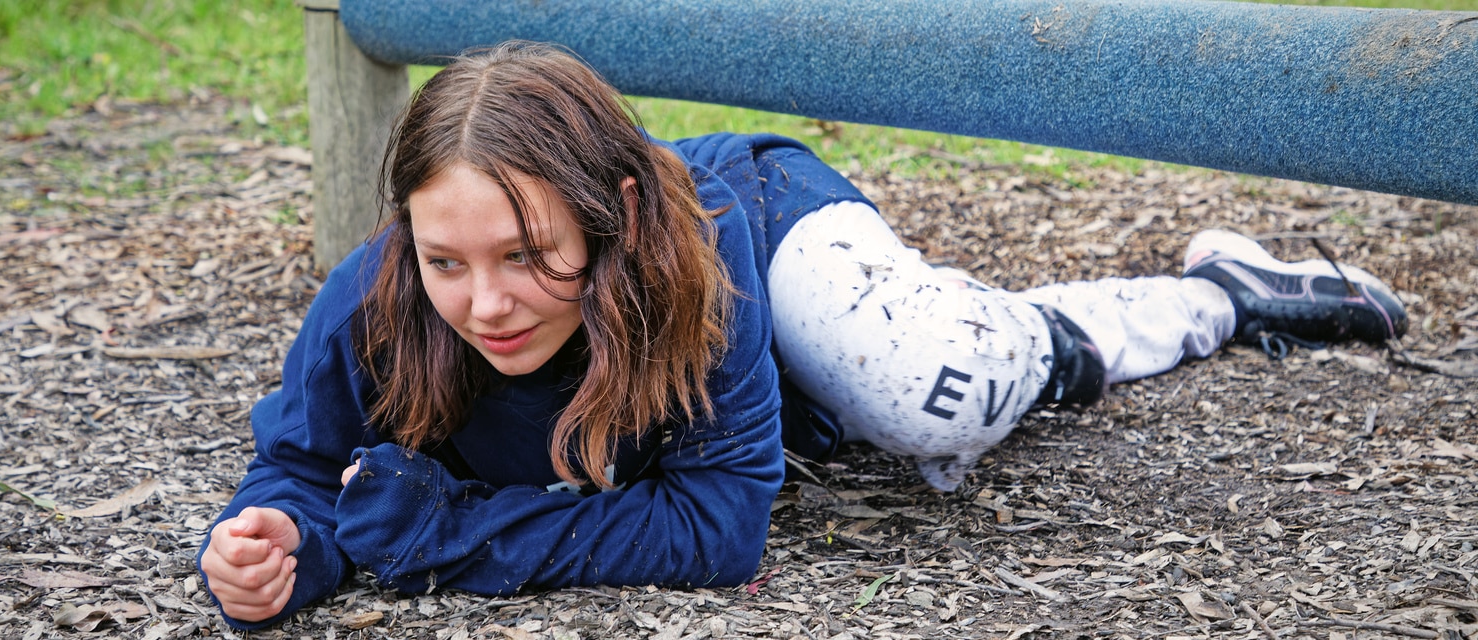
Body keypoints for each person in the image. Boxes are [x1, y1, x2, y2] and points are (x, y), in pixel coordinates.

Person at [196, 41, 1407, 628]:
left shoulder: (691, 261)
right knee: (835, 430)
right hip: (731, 368)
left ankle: (1213, 296)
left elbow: (719, 530)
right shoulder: (374, 301)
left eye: (528, 253)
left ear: (611, 215)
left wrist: (443, 531)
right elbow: (302, 473)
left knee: (937, 391)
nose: (488, 301)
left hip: (774, 233)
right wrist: (284, 550)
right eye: (446, 258)